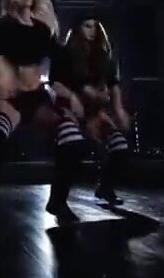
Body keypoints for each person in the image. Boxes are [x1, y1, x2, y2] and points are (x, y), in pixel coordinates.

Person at [0, 0, 89, 223]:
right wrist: (0, 68)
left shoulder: (42, 30)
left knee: (72, 140)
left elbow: (59, 63)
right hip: (10, 98)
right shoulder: (1, 26)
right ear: (9, 0)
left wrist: (70, 95)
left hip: (37, 98)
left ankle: (58, 201)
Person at [54, 15, 135, 205]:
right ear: (77, 29)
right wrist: (74, 97)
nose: (92, 30)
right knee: (72, 148)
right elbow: (56, 83)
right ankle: (58, 199)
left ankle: (105, 187)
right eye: (87, 26)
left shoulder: (103, 58)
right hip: (71, 111)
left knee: (119, 147)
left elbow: (113, 85)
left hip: (95, 113)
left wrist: (119, 110)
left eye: (95, 27)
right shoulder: (66, 54)